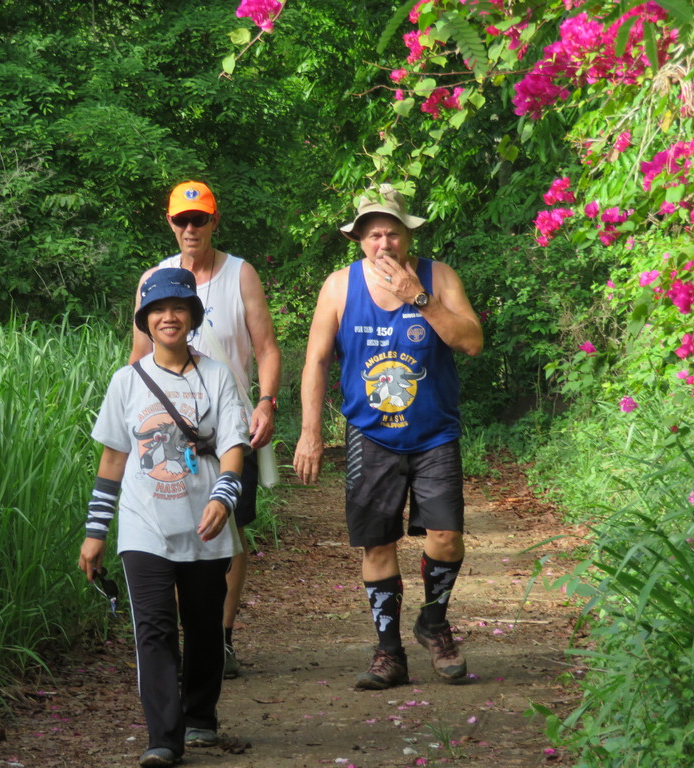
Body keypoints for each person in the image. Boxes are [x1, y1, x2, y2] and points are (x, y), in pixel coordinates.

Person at [291, 184, 483, 690]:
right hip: (370, 435)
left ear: (407, 235)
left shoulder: (439, 278)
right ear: (358, 239)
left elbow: (472, 342)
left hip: (434, 432)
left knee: (446, 538)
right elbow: (316, 361)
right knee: (376, 544)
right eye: (373, 234)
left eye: (392, 233)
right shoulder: (339, 287)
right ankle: (389, 653)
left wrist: (418, 297)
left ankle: (434, 623)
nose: (384, 244)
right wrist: (310, 433)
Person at [80, 268, 252, 767]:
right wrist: (96, 532)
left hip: (206, 525)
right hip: (144, 525)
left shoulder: (216, 375)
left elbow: (233, 445)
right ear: (146, 320)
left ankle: (200, 717)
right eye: (157, 310)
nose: (168, 317)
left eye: (178, 307)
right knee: (153, 629)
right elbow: (113, 459)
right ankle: (163, 737)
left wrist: (223, 497)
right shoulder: (126, 382)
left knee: (203, 626)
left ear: (192, 316)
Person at [130, 181, 281, 679]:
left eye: (200, 219)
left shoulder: (240, 274)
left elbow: (267, 348)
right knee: (176, 530)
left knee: (229, 532)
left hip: (231, 426)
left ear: (215, 221)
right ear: (170, 223)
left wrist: (266, 403)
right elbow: (137, 360)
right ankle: (186, 638)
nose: (190, 228)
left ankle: (220, 638)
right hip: (168, 429)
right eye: (182, 220)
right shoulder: (154, 279)